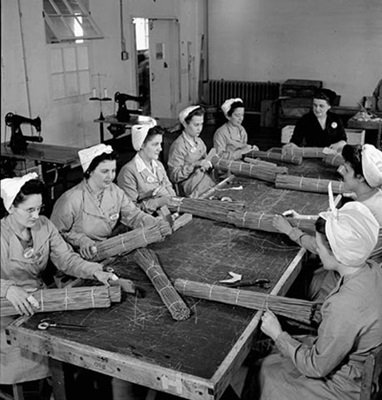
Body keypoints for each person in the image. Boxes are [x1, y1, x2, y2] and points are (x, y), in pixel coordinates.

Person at [258, 201, 382, 400]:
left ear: (337, 252)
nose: (317, 249)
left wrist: (278, 333)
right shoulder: (373, 269)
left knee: (269, 372)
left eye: (319, 246)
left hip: (348, 386)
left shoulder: (344, 305)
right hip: (358, 365)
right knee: (276, 355)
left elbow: (316, 367)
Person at [0, 173, 116, 386]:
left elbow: (66, 258)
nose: (36, 215)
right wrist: (7, 288)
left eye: (39, 208)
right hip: (7, 311)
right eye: (29, 210)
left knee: (71, 343)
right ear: (10, 208)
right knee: (37, 353)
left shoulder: (43, 225)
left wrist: (95, 271)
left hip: (40, 302)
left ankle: (64, 384)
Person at [273, 144, 382, 301]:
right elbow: (336, 221)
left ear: (360, 177)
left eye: (346, 169)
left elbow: (325, 247)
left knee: (305, 282)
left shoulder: (364, 209)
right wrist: (301, 218)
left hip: (349, 277)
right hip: (367, 270)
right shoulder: (375, 195)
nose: (340, 171)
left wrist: (291, 231)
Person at [51, 143, 170, 261]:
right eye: (105, 171)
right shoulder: (70, 200)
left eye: (113, 171)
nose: (110, 176)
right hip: (78, 259)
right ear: (90, 171)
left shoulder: (115, 192)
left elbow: (134, 215)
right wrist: (80, 240)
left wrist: (153, 222)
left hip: (106, 252)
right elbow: (54, 236)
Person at [117, 124, 176, 215]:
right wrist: (157, 202)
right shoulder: (128, 172)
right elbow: (130, 211)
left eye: (160, 144)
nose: (160, 149)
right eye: (155, 144)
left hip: (166, 215)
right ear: (142, 145)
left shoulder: (158, 165)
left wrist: (168, 197)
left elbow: (170, 190)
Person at [167, 105, 216, 198]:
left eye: (201, 124)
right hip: (192, 188)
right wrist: (194, 165)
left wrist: (209, 163)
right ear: (185, 124)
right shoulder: (178, 146)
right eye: (196, 125)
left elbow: (206, 161)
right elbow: (174, 176)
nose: (200, 128)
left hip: (206, 182)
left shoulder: (199, 142)